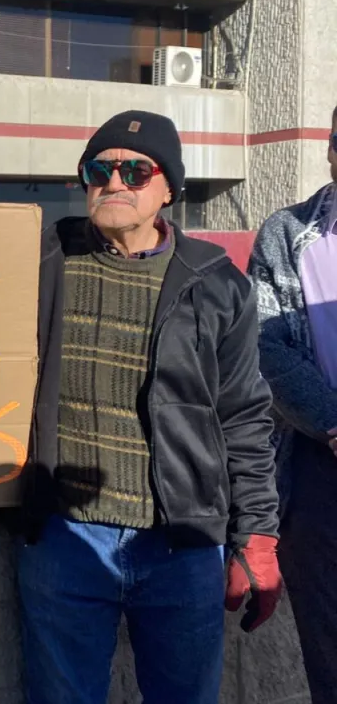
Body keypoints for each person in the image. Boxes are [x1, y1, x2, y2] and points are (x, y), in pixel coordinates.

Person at [14, 111, 280, 704]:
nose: (114, 182)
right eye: (99, 171)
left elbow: (243, 417)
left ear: (168, 190)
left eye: (135, 171)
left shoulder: (216, 283)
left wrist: (258, 534)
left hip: (181, 543)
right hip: (64, 537)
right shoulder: (42, 259)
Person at [248, 103, 337, 704]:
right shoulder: (287, 233)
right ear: (330, 148)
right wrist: (331, 422)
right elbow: (265, 344)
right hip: (318, 468)